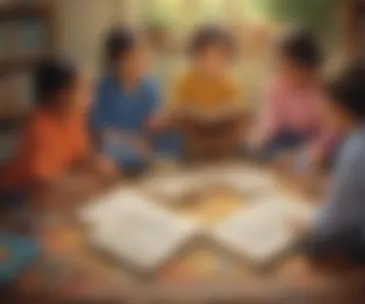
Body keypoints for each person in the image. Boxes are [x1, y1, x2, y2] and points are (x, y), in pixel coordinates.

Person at [0, 57, 115, 212]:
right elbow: (43, 187)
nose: (91, 96)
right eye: (84, 88)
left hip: (55, 185)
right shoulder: (39, 126)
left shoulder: (73, 116)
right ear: (61, 96)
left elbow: (79, 155)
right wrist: (89, 185)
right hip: (18, 195)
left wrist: (97, 164)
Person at [301, 60, 365, 265]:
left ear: (339, 107)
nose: (320, 107)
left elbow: (333, 222)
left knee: (314, 243)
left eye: (323, 101)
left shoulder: (357, 150)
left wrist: (307, 227)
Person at [91, 26, 179, 174]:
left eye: (144, 55)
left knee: (174, 136)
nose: (142, 61)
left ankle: (153, 162)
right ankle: (138, 165)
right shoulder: (102, 89)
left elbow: (153, 120)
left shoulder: (150, 86)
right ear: (117, 60)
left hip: (145, 140)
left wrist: (160, 123)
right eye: (134, 56)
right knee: (110, 147)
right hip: (119, 141)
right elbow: (100, 131)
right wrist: (132, 141)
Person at [249, 28, 338, 170]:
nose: (282, 71)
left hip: (315, 141)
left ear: (306, 67)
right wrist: (259, 138)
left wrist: (314, 151)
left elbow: (330, 130)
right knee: (269, 149)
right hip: (286, 140)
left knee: (334, 152)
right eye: (280, 66)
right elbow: (270, 120)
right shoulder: (277, 85)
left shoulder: (322, 90)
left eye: (288, 66)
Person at [169, 24, 247, 159]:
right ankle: (196, 153)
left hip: (219, 129)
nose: (212, 63)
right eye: (206, 57)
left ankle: (221, 153)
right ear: (195, 56)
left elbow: (237, 107)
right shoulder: (185, 79)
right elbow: (176, 108)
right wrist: (197, 112)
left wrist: (216, 113)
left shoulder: (228, 82)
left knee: (243, 121)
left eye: (219, 58)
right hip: (195, 130)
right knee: (176, 123)